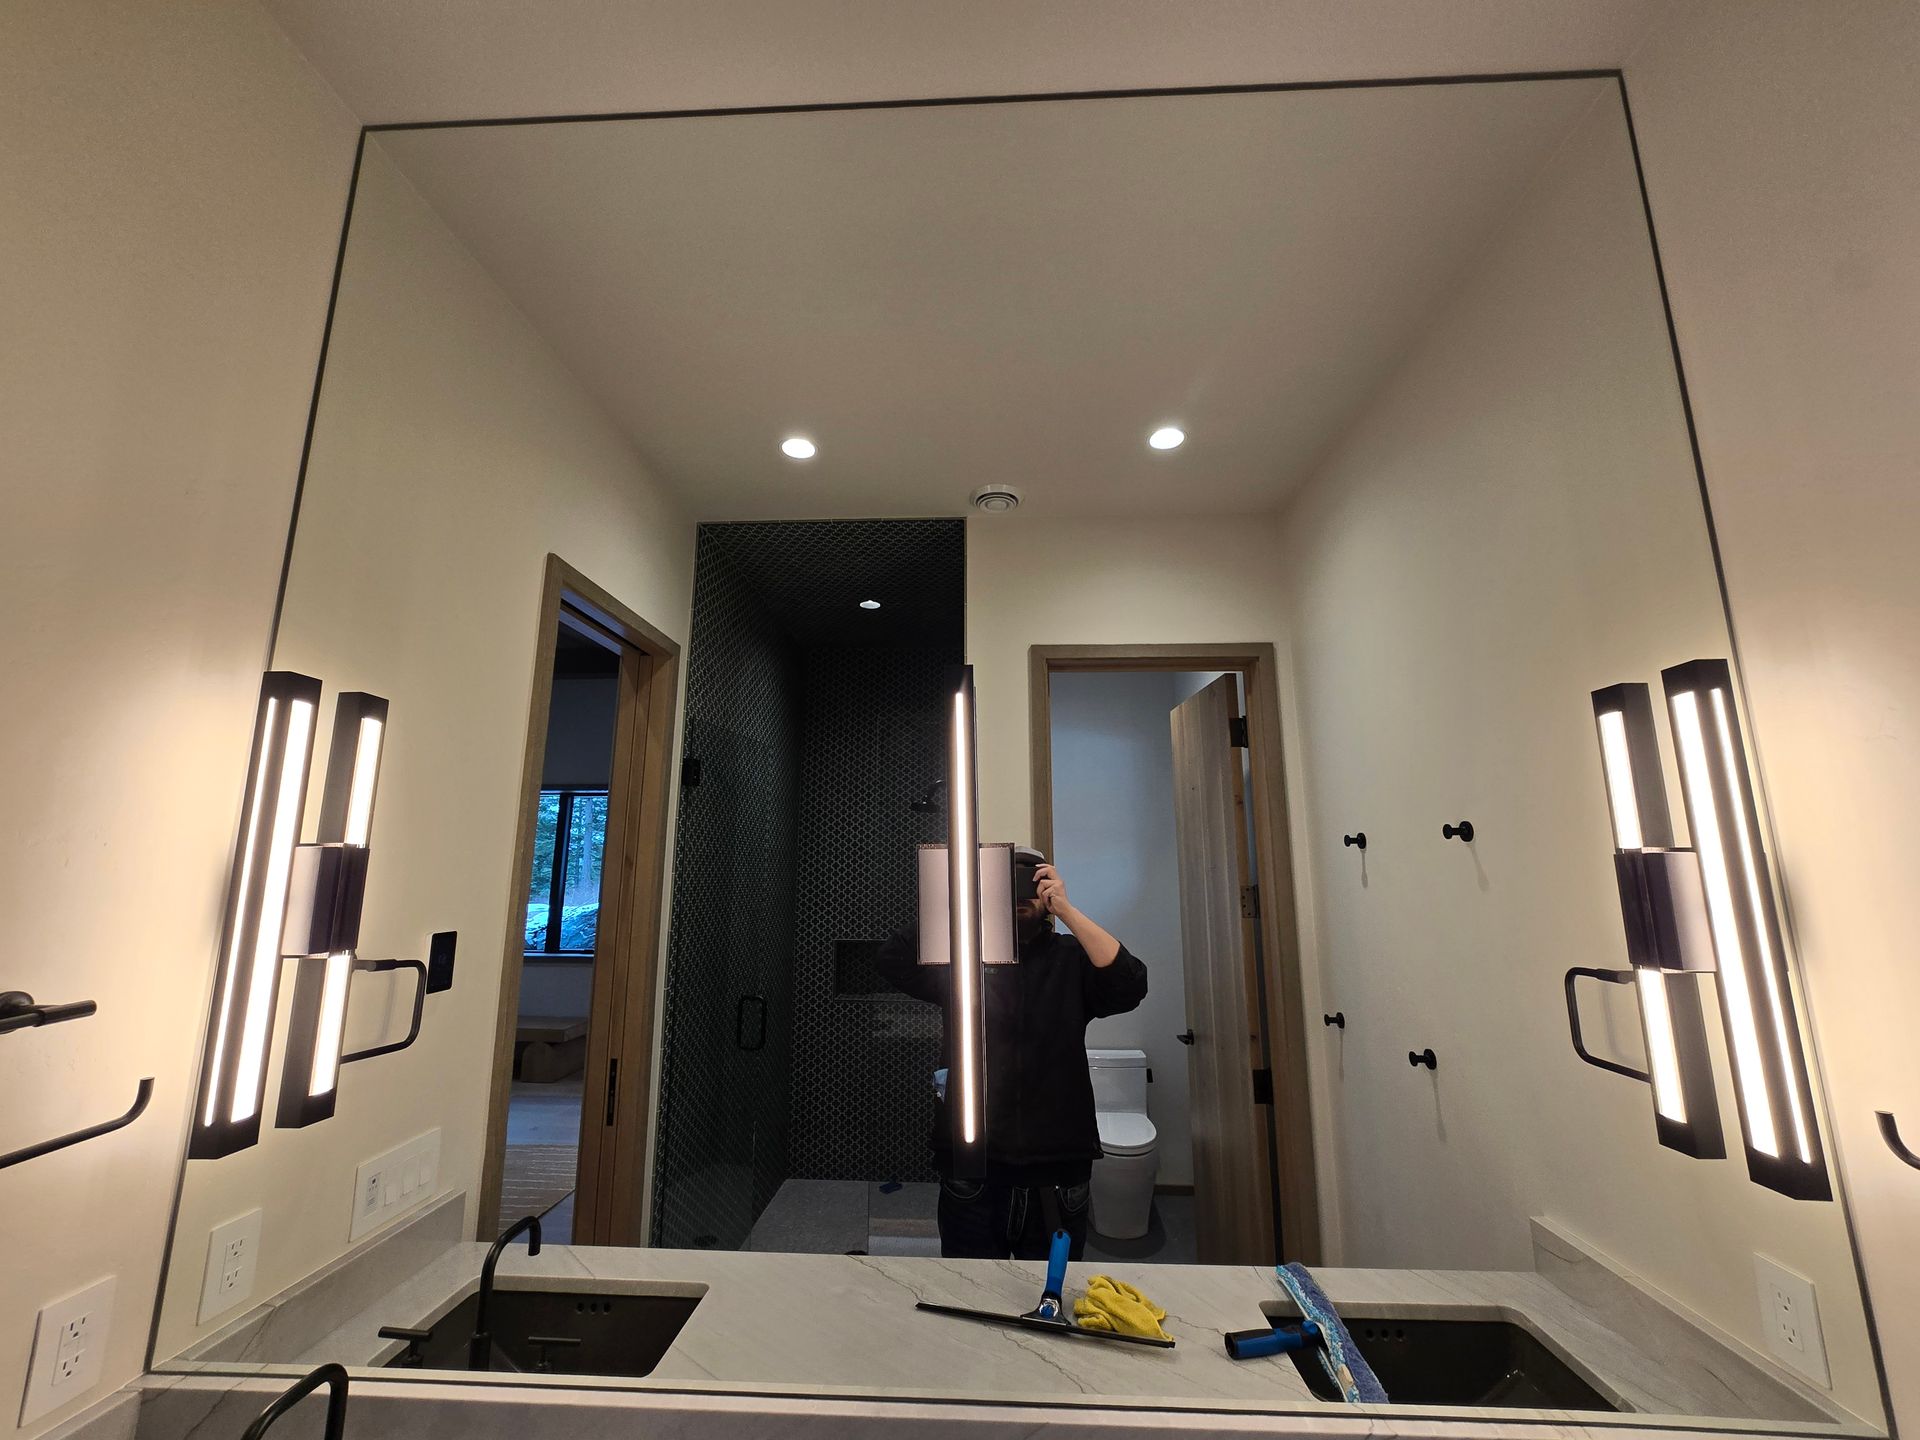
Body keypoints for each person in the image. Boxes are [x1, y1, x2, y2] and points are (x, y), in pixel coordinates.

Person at [877, 847, 1148, 1260]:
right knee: (969, 1289)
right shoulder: (964, 962)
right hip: (975, 1161)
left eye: (1033, 883)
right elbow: (892, 960)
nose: (1023, 892)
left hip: (1059, 1163)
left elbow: (1130, 984)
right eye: (1008, 883)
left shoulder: (1072, 959)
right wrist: (964, 902)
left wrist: (1067, 909)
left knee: (1049, 1297)